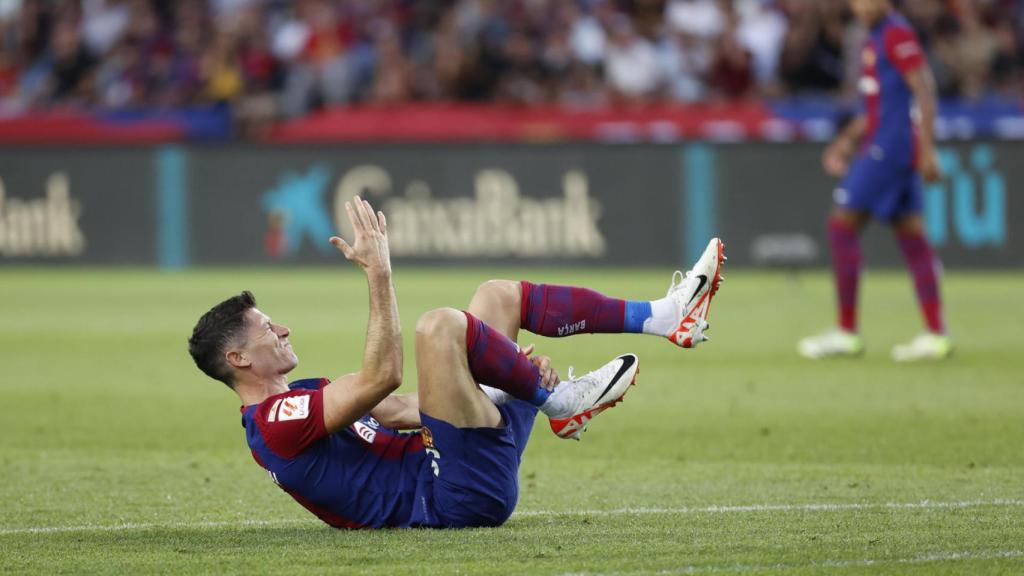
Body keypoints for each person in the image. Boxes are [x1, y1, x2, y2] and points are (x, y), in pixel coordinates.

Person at [188, 196, 725, 529]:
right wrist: (379, 273)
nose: (282, 330)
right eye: (267, 329)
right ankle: (558, 402)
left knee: (496, 296)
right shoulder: (273, 424)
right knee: (439, 327)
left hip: (461, 454)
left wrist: (496, 381)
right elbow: (383, 376)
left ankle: (665, 316)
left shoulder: (305, 392)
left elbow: (400, 407)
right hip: (454, 496)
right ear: (238, 358)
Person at [798, 0, 952, 362]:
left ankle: (846, 332)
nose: (863, 6)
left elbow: (924, 88)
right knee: (912, 236)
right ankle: (936, 335)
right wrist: (846, 141)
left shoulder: (896, 33)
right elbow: (875, 109)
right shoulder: (875, 37)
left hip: (890, 148)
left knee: (841, 227)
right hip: (889, 145)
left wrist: (928, 150)